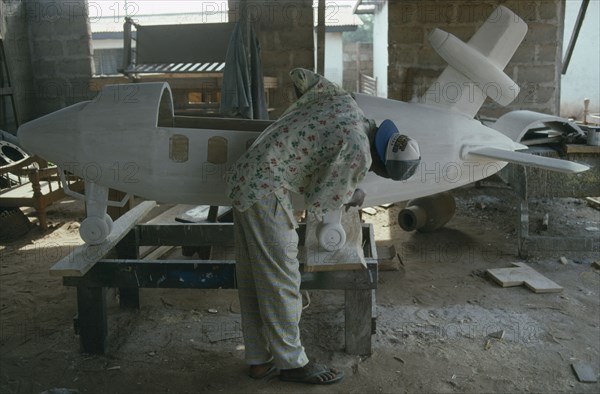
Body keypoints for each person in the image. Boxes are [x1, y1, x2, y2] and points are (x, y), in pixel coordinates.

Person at [225, 68, 420, 385]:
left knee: (252, 277)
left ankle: (259, 360)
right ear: (381, 165)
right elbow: (320, 202)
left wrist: (301, 127)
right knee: (282, 278)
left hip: (246, 175)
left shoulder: (345, 102)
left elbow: (301, 76)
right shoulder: (357, 150)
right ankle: (292, 363)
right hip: (266, 188)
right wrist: (351, 194)